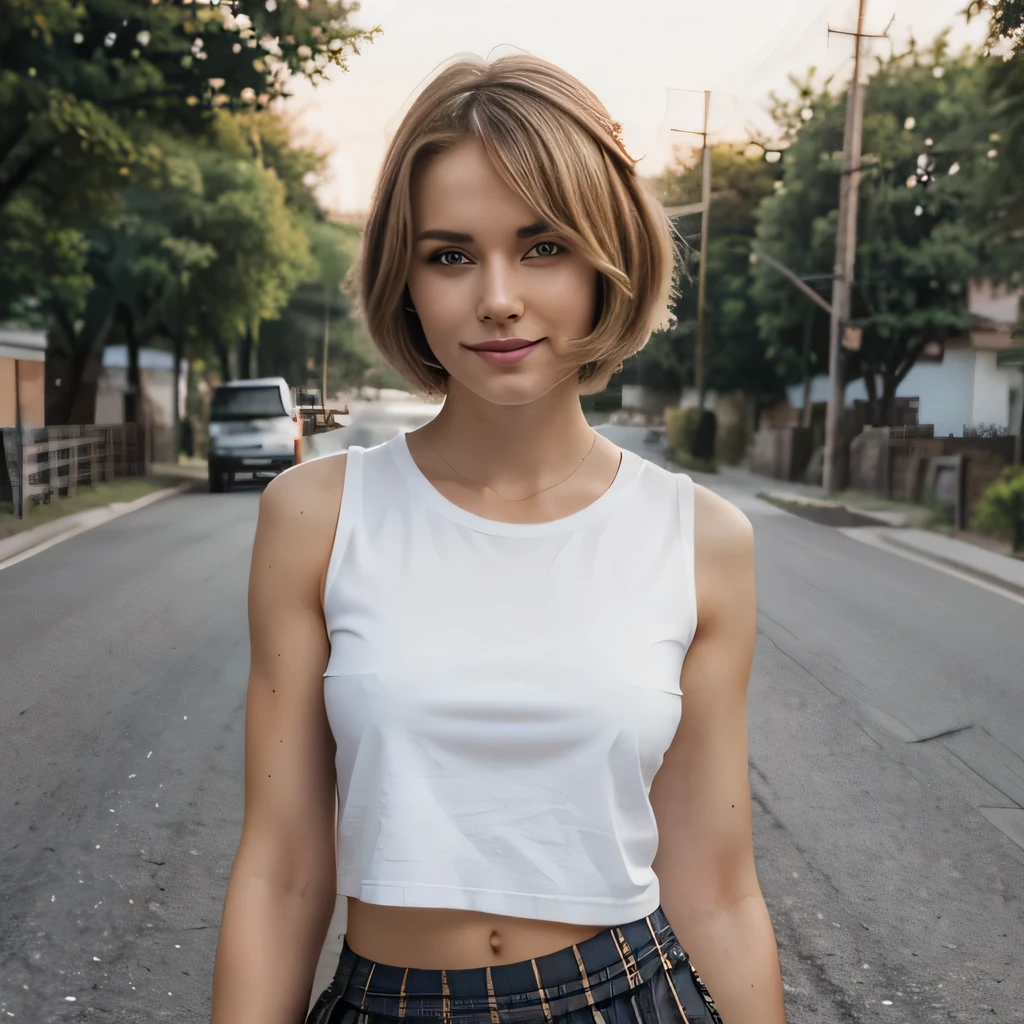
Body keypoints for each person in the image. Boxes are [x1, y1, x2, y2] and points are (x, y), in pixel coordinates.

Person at [211, 53, 787, 1024]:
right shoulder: (315, 516)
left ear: (608, 260)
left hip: (626, 996)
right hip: (388, 1000)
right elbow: (281, 872)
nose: (497, 296)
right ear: (405, 275)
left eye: (543, 247)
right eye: (449, 254)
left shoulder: (699, 540)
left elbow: (718, 889)